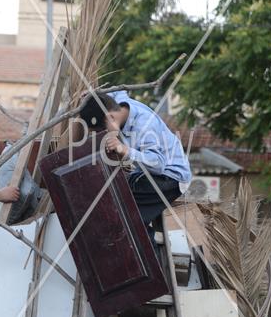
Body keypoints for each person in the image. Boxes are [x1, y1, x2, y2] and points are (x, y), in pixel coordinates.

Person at [80, 91, 192, 249]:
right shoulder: (118, 103)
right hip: (147, 173)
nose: (102, 135)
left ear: (111, 118)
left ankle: (150, 264)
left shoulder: (144, 126)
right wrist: (92, 95)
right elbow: (118, 91)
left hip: (170, 177)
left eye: (101, 131)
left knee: (127, 216)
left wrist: (124, 149)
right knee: (116, 192)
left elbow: (158, 164)